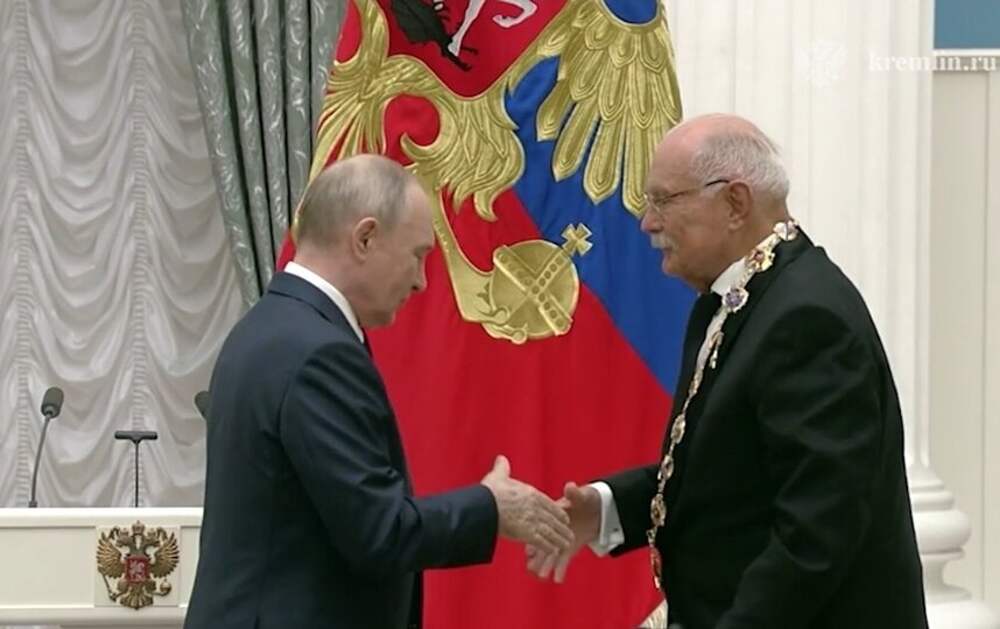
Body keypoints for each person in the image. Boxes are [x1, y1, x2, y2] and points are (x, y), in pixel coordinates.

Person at [527, 114, 928, 629]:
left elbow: (815, 532)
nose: (647, 222)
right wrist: (607, 509)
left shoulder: (807, 318)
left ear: (735, 203)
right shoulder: (740, 298)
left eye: (664, 200)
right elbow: (726, 471)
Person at [185, 154, 573, 629]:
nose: (421, 281)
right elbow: (380, 533)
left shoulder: (268, 327)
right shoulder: (317, 352)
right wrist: (492, 507)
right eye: (417, 255)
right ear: (365, 238)